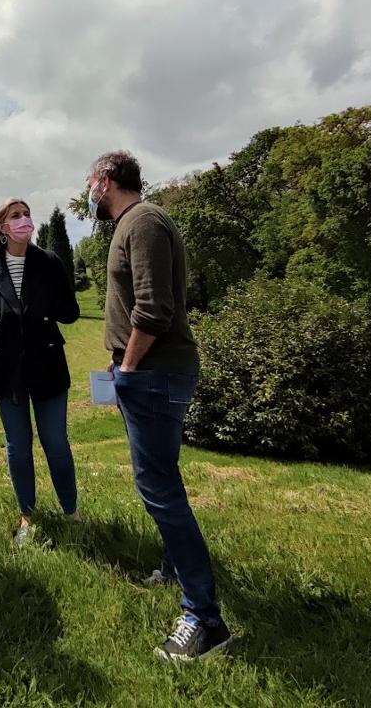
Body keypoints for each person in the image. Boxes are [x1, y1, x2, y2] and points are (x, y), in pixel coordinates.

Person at [86, 150, 233, 662]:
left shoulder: (143, 222)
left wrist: (125, 370)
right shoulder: (135, 222)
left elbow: (153, 307)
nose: (89, 192)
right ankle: (174, 568)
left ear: (104, 181)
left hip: (152, 373)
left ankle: (204, 619)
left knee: (158, 489)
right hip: (148, 372)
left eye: (90, 182)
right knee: (163, 476)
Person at [0, 198, 80, 546]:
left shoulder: (49, 261)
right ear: (3, 226)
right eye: (15, 215)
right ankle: (27, 516)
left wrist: (47, 305)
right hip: (5, 367)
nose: (24, 220)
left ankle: (71, 513)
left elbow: (71, 311)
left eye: (27, 214)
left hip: (47, 363)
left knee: (56, 443)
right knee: (18, 445)